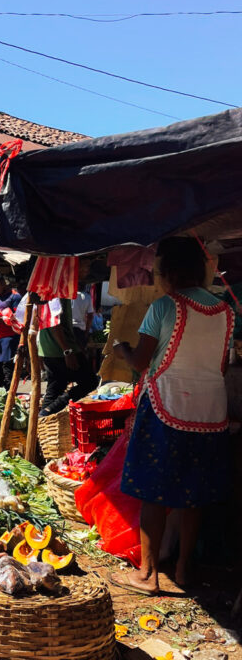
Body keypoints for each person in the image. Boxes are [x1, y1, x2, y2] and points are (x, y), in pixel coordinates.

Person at [113, 237, 233, 594]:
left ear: (169, 273)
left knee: (153, 489)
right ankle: (183, 570)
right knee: (193, 492)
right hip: (211, 409)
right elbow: (222, 366)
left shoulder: (165, 307)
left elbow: (139, 361)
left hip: (166, 405)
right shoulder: (226, 311)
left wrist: (121, 349)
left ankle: (147, 575)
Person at [37, 297, 97, 416]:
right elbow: (55, 323)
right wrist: (67, 351)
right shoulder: (57, 293)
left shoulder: (48, 291)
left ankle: (42, 418)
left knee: (55, 387)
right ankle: (53, 408)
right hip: (61, 348)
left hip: (48, 348)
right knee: (90, 382)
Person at [0, 276, 22, 389]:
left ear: (3, 284)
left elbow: (18, 316)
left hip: (10, 337)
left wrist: (1, 320)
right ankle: (0, 389)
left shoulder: (15, 297)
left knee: (7, 365)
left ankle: (9, 391)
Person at [71, 286, 95, 352]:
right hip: (80, 332)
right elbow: (90, 316)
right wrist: (86, 332)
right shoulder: (87, 297)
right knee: (79, 356)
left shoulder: (68, 295)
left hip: (68, 329)